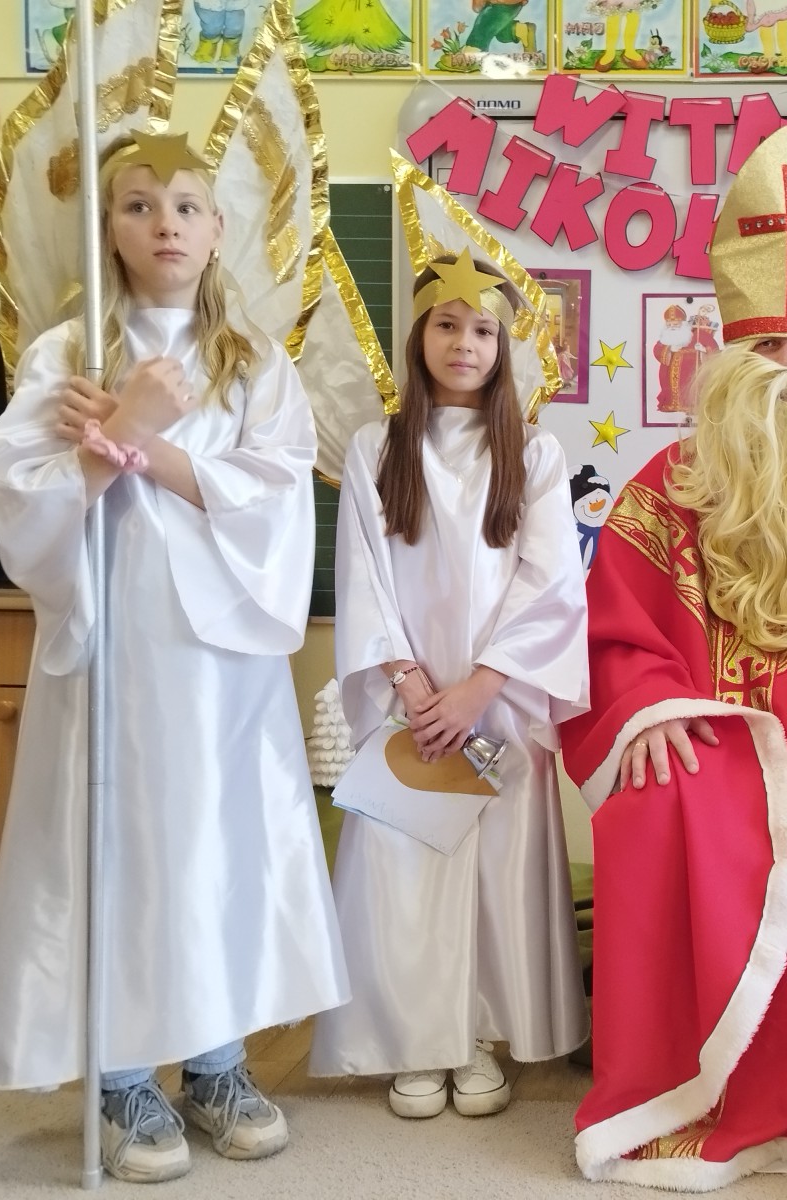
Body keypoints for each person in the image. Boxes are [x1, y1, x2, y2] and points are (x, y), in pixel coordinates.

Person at [0, 133, 348, 1183]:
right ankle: (122, 1071)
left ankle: (216, 1062)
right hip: (115, 652)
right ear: (109, 229)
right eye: (138, 205)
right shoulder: (68, 356)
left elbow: (276, 496)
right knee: (119, 848)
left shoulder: (253, 364)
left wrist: (150, 443)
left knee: (216, 848)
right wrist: (110, 432)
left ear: (218, 229)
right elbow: (15, 499)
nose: (165, 223)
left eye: (185, 204)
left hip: (220, 660)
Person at [560, 126, 787, 1199]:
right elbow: (613, 628)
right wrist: (647, 709)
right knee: (657, 797)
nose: (785, 371)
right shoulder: (667, 479)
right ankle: (685, 1094)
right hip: (707, 724)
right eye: (765, 349)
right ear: (725, 356)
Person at [308, 253, 590, 1117]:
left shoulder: (535, 454)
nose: (464, 343)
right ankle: (415, 1040)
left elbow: (549, 582)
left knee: (495, 868)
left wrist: (478, 689)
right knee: (405, 865)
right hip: (412, 699)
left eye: (482, 330)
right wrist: (409, 683)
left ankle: (479, 1037)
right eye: (446, 325)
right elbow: (363, 573)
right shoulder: (377, 448)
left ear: (502, 347)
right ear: (419, 335)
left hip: (497, 700)